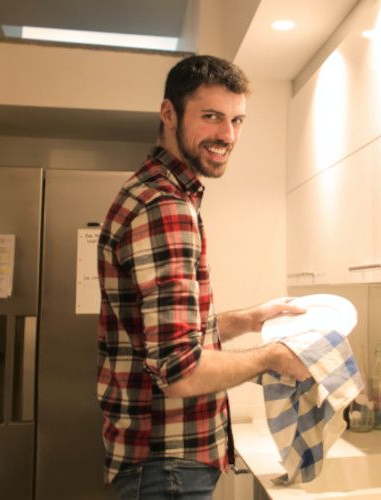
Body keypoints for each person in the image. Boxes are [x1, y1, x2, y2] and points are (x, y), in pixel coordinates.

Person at [97, 55, 311, 499]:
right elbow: (180, 371)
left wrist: (249, 319)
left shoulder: (164, 195)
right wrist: (271, 355)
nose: (227, 135)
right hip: (166, 466)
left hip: (160, 463)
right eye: (211, 116)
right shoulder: (165, 207)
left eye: (237, 120)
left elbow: (166, 336)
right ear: (168, 113)